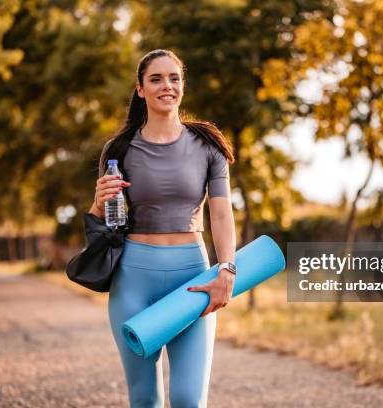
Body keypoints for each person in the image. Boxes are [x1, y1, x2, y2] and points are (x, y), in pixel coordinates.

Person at [88, 49, 237, 408]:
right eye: (156, 79)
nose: (166, 86)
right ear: (140, 89)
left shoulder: (208, 147)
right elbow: (108, 220)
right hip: (134, 279)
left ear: (183, 86)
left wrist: (227, 268)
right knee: (144, 398)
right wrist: (96, 204)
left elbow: (220, 215)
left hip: (193, 277)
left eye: (174, 78)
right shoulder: (119, 149)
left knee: (188, 399)